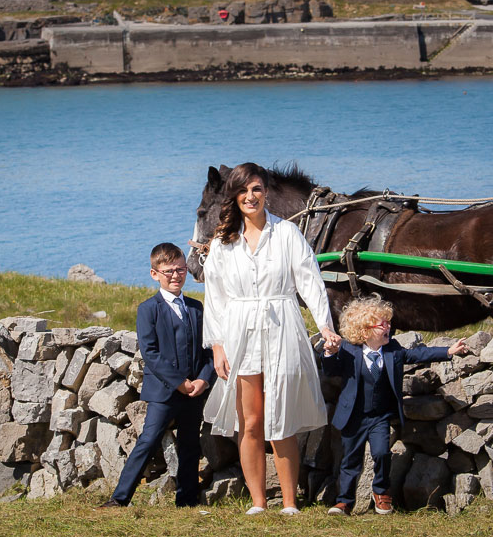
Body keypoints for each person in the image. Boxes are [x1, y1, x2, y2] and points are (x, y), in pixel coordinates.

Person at [202, 162, 341, 516]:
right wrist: (217, 344)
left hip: (282, 331)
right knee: (250, 421)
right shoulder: (222, 243)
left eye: (257, 189)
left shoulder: (287, 234)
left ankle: (290, 503)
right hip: (239, 332)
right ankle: (258, 502)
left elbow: (309, 280)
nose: (251, 196)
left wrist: (325, 325)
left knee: (281, 419)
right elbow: (215, 297)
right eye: (244, 190)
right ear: (234, 196)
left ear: (266, 193)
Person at [320, 295, 468, 516]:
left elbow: (418, 354)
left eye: (389, 322)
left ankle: (381, 493)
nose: (389, 327)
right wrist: (330, 353)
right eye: (383, 324)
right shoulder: (350, 351)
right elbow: (331, 371)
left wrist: (447, 352)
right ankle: (344, 501)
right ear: (365, 330)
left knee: (381, 453)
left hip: (379, 416)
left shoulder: (393, 350)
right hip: (354, 416)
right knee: (350, 459)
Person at [104, 243, 214, 508]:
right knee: (148, 440)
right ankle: (119, 500)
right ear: (155, 274)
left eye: (180, 270)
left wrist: (202, 379)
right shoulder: (148, 309)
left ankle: (187, 500)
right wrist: (179, 383)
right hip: (165, 391)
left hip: (195, 391)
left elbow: (209, 349)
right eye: (168, 272)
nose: (176, 276)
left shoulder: (196, 308)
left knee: (190, 445)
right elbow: (151, 352)